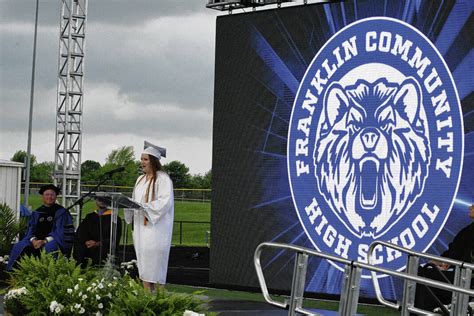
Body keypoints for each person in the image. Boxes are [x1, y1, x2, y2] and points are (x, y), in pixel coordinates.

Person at [124, 141, 174, 292]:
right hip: (140, 229)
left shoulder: (162, 178)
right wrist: (127, 206)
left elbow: (165, 202)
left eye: (145, 159)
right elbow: (134, 201)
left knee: (156, 270)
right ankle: (147, 301)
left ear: (153, 161)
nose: (142, 162)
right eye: (141, 159)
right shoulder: (140, 179)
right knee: (144, 269)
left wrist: (145, 208)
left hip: (156, 231)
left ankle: (159, 302)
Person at [414, 204, 474, 312]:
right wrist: (440, 261)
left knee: (425, 273)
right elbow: (454, 250)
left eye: (473, 206)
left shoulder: (470, 230)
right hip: (461, 275)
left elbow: (456, 253)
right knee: (424, 270)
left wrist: (446, 261)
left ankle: (422, 312)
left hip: (467, 279)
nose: (470, 207)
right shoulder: (468, 230)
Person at [6, 184, 75, 270]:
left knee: (50, 247)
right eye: (47, 194)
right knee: (19, 246)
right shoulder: (37, 212)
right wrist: (33, 240)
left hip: (54, 240)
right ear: (42, 197)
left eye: (52, 195)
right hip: (35, 241)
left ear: (56, 197)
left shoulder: (61, 212)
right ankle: (15, 274)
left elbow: (60, 232)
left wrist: (44, 241)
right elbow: (30, 229)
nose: (49, 197)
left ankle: (47, 273)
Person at [73, 197, 122, 267]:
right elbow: (80, 233)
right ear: (96, 200)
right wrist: (86, 241)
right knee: (80, 247)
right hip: (88, 247)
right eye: (99, 199)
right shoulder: (89, 217)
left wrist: (97, 243)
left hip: (103, 248)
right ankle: (80, 270)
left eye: (104, 199)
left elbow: (115, 238)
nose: (102, 201)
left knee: (102, 250)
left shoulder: (115, 219)